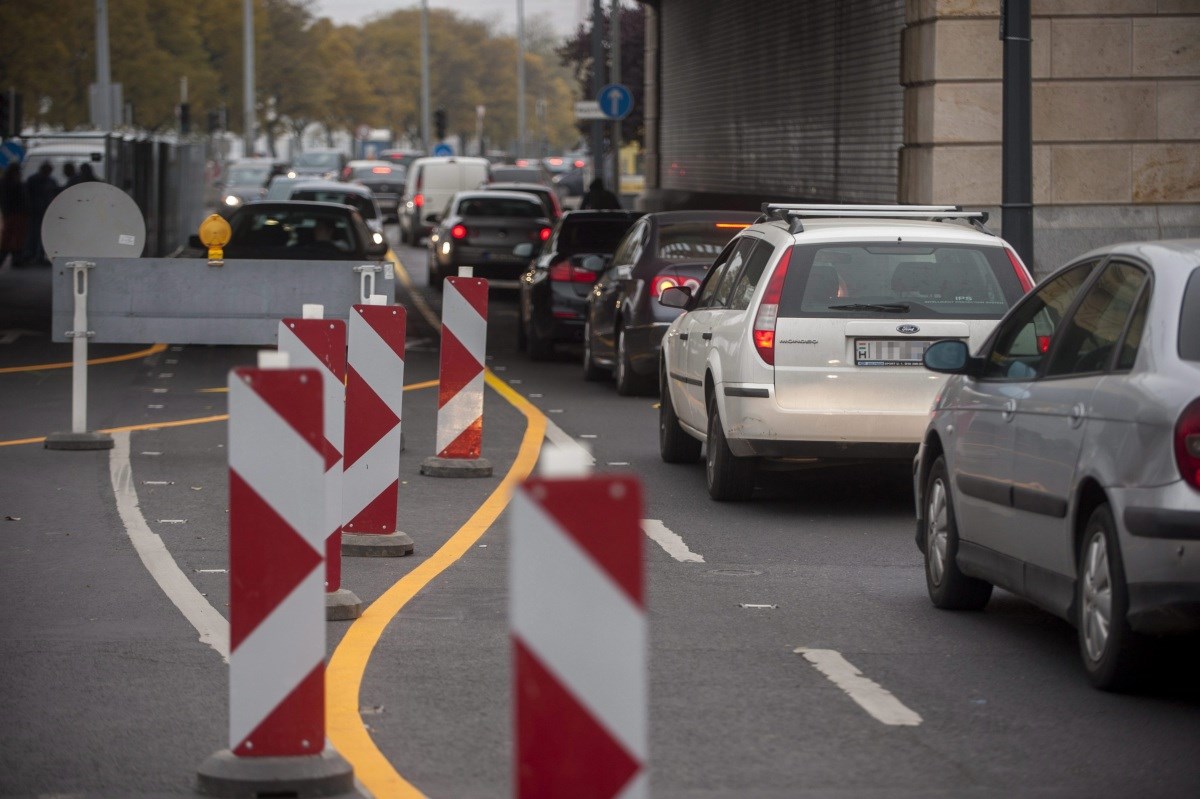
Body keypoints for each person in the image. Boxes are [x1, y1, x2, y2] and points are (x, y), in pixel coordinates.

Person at [24, 162, 58, 265]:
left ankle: (34, 255)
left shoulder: (35, 179)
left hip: (40, 211)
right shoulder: (47, 181)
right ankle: (35, 255)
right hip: (38, 211)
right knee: (36, 234)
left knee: (36, 234)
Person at [0, 162, 31, 268]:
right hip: (16, 213)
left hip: (10, 213)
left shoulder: (5, 182)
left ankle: (12, 258)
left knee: (9, 237)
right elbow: (20, 198)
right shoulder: (14, 184)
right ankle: (15, 258)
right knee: (15, 237)